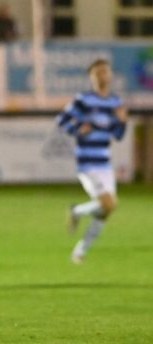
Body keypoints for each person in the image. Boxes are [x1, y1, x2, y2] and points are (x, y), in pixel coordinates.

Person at [57, 59, 128, 264]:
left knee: (107, 210)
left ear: (111, 75)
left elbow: (118, 135)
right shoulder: (84, 100)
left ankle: (80, 250)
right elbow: (61, 121)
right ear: (91, 77)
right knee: (108, 203)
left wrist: (122, 122)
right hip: (87, 162)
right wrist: (77, 130)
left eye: (105, 71)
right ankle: (77, 212)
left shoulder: (115, 102)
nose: (102, 76)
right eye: (97, 73)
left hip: (105, 162)